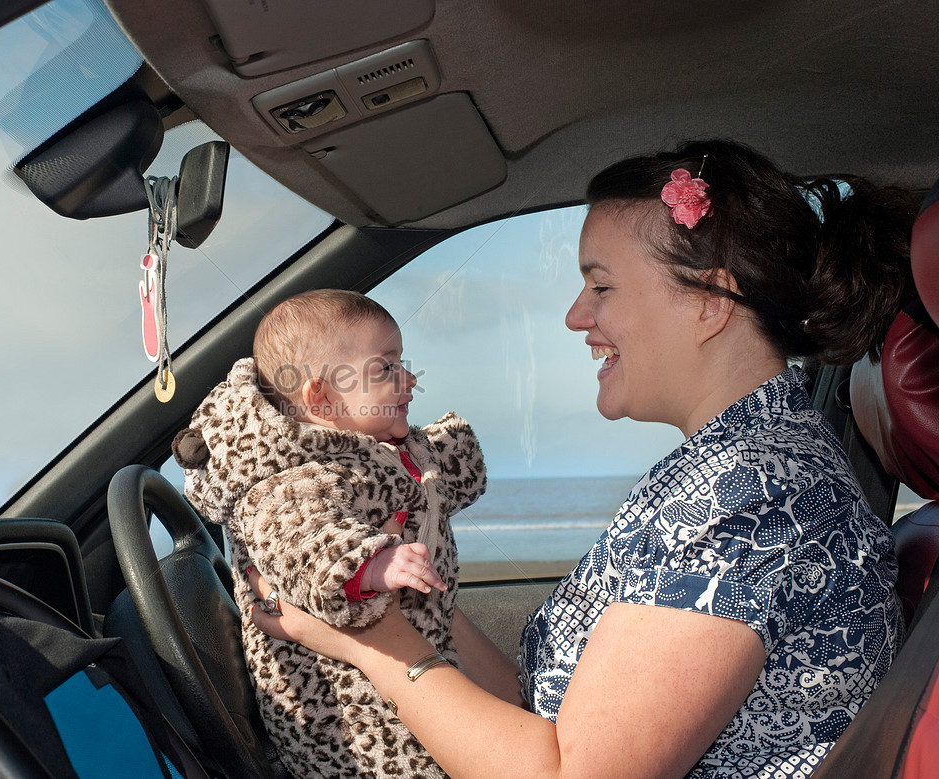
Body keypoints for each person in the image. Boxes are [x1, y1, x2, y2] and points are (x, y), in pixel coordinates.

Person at [246, 140, 915, 778]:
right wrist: (412, 601)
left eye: (601, 286)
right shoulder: (734, 465)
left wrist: (373, 642)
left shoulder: (755, 492)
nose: (574, 316)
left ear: (711, 301)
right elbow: (547, 712)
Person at [171, 289, 487, 778]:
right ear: (321, 397)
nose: (409, 380)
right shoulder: (288, 483)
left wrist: (454, 457)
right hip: (349, 719)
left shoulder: (368, 449)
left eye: (403, 363)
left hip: (409, 674)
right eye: (386, 368)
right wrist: (372, 564)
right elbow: (303, 541)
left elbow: (420, 477)